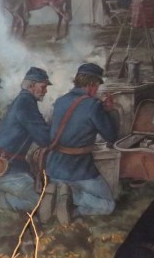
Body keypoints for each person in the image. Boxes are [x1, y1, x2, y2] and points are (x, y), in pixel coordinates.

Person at [42, 63, 119, 225]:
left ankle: (58, 195)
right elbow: (111, 136)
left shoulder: (60, 101)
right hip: (79, 169)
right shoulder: (94, 105)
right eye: (97, 85)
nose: (97, 90)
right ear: (92, 84)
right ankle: (72, 202)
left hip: (54, 168)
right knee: (108, 205)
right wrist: (110, 111)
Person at [0, 67, 51, 213]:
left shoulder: (23, 100)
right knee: (39, 206)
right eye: (43, 87)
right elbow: (45, 138)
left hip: (7, 165)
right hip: (10, 170)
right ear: (32, 85)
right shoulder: (26, 103)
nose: (45, 91)